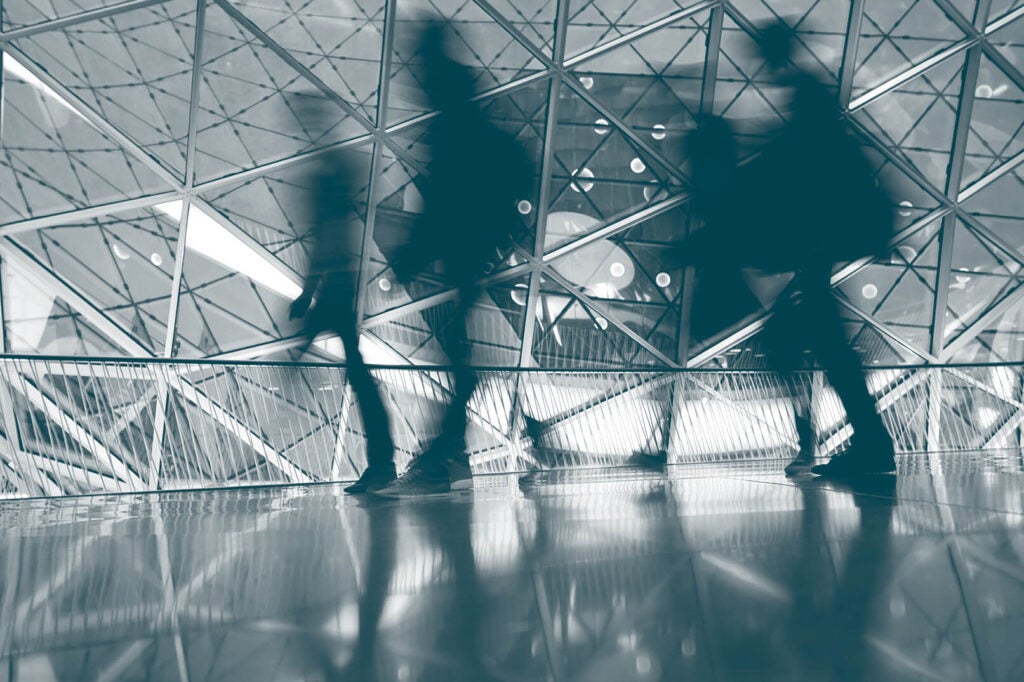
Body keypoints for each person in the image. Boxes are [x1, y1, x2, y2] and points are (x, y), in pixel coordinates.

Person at [679, 21, 897, 478]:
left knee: (824, 343)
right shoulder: (809, 97)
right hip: (823, 238)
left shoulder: (807, 101)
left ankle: (868, 443)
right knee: (825, 341)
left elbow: (796, 172)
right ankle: (866, 440)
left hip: (820, 235)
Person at [378, 21, 532, 496]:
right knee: (457, 354)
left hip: (465, 243)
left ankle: (445, 456)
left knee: (458, 359)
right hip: (473, 243)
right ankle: (452, 453)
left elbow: (447, 195)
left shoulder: (448, 117)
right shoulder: (459, 104)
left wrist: (412, 254)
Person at [290, 118, 396, 494]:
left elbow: (323, 243)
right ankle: (382, 464)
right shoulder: (336, 183)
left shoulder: (328, 186)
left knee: (354, 372)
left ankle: (382, 464)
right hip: (341, 284)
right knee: (356, 371)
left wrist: (308, 292)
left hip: (337, 285)